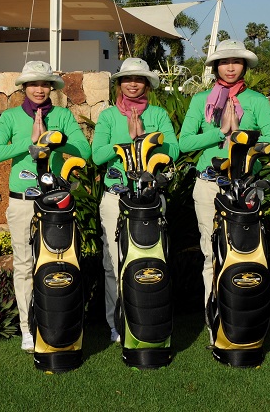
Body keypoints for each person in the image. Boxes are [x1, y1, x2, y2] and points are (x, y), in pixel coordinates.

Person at [178, 39, 270, 334]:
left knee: (244, 252)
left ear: (245, 66)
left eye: (236, 61)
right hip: (210, 185)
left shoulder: (257, 101)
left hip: (244, 185)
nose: (231, 66)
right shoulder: (201, 101)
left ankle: (244, 320)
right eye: (224, 62)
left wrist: (244, 141)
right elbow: (184, 142)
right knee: (211, 252)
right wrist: (219, 133)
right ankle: (215, 323)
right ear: (215, 67)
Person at [0, 60, 91, 352]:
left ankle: (55, 324)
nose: (39, 89)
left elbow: (84, 151)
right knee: (24, 265)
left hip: (56, 202)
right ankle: (27, 329)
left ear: (51, 88)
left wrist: (54, 142)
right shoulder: (10, 117)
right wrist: (28, 143)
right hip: (22, 201)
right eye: (33, 84)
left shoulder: (62, 115)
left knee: (57, 262)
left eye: (44, 84)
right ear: (24, 88)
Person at [91, 57, 179, 343]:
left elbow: (174, 150)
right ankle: (117, 323)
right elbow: (97, 155)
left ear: (146, 84)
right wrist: (130, 144)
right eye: (127, 79)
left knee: (151, 260)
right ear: (119, 83)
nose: (132, 84)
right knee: (113, 263)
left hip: (151, 199)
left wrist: (146, 138)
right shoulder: (107, 116)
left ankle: (147, 317)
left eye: (138, 79)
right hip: (116, 197)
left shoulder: (157, 114)